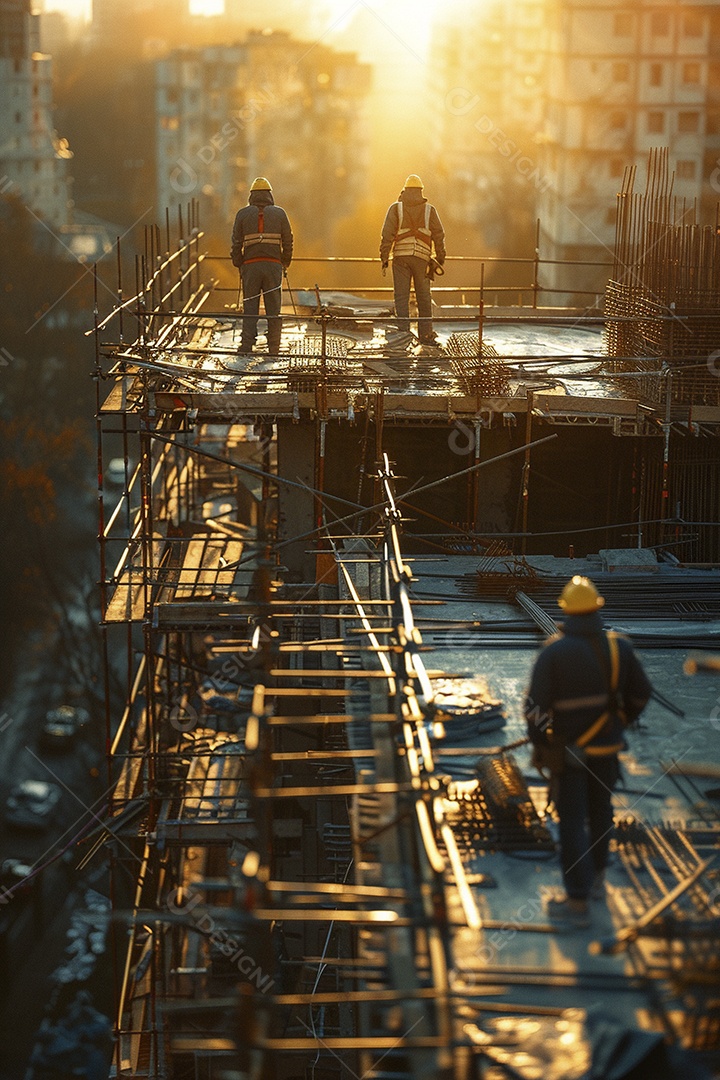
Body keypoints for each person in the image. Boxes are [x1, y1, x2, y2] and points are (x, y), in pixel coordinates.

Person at [524, 575, 652, 926]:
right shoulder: (619, 648)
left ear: (565, 611)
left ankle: (577, 903)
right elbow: (641, 694)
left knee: (572, 822)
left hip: (571, 755)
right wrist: (620, 721)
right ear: (597, 608)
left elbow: (535, 709)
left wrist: (542, 744)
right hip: (606, 749)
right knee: (600, 813)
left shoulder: (553, 652)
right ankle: (596, 881)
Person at [230, 177, 293, 356]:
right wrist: (285, 261)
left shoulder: (242, 214)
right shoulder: (280, 214)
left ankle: (247, 345)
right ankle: (274, 347)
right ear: (269, 195)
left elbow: (236, 242)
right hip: (273, 266)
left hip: (251, 267)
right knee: (274, 308)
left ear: (251, 196)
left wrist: (238, 262)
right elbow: (288, 240)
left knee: (250, 306)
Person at [380, 174, 446, 345]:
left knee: (401, 297)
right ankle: (426, 335)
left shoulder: (396, 208)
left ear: (405, 190)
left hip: (401, 258)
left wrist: (384, 257)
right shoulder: (430, 210)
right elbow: (439, 234)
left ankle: (403, 333)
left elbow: (387, 234)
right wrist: (440, 257)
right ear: (421, 191)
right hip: (422, 259)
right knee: (423, 297)